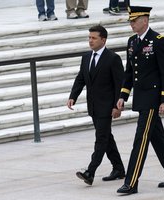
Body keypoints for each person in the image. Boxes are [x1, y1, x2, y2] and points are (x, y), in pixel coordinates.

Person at [116, 6, 164, 195]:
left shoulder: (158, 41)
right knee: (158, 138)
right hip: (141, 97)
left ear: (145, 20)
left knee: (141, 139)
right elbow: (129, 71)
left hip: (153, 99)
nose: (131, 24)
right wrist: (123, 95)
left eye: (134, 20)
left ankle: (131, 182)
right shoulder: (132, 42)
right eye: (130, 21)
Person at [67, 25, 125, 186]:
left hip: (107, 107)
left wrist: (117, 106)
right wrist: (73, 96)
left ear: (103, 40)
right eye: (89, 38)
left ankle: (90, 172)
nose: (90, 41)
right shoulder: (86, 57)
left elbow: (119, 84)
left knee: (101, 139)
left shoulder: (113, 58)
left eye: (94, 38)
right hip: (93, 106)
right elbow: (81, 78)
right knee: (106, 138)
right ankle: (119, 169)